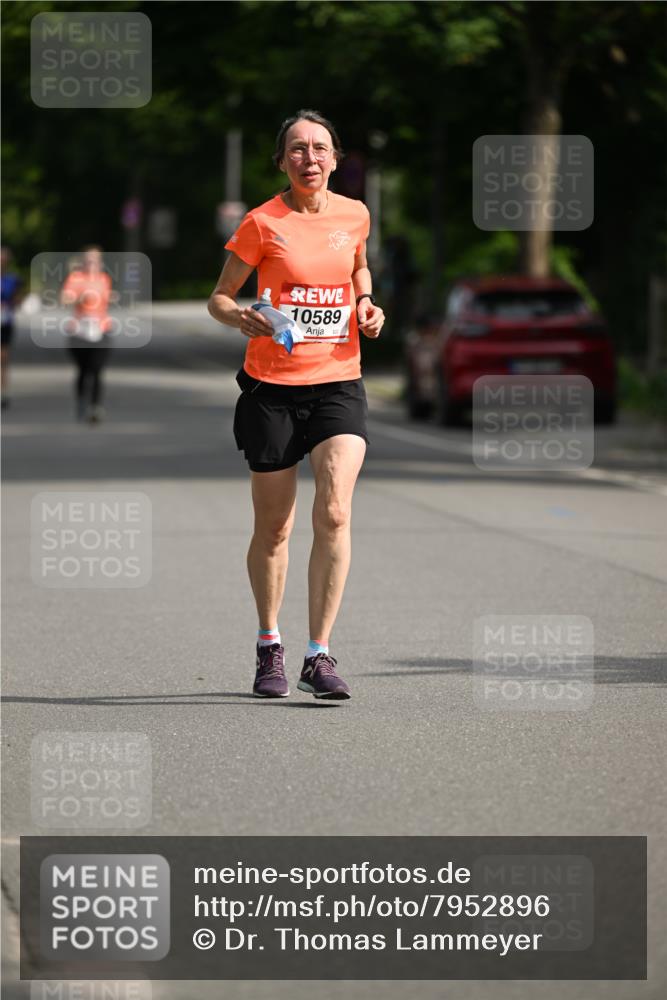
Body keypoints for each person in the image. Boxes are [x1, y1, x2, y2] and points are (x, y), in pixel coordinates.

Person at [208, 109, 385, 700]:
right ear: (282, 161)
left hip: (339, 381)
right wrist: (241, 317)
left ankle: (319, 654)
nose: (310, 158)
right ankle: (269, 645)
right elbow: (219, 297)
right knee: (275, 527)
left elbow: (359, 267)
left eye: (320, 148)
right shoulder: (262, 222)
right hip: (272, 389)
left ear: (335, 159)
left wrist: (366, 304)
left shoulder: (355, 214)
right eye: (298, 149)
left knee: (334, 512)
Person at [60, 246, 114, 423]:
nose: (92, 263)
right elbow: (65, 299)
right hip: (79, 330)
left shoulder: (104, 279)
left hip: (101, 328)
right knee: (83, 370)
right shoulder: (76, 278)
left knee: (97, 369)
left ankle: (95, 406)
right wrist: (79, 298)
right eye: (89, 260)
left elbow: (106, 299)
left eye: (95, 260)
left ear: (100, 262)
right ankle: (81, 402)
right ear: (83, 261)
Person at [1, 246, 24, 410]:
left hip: (5, 322)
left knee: (3, 358)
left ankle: (3, 391)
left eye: (3, 260)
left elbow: (17, 300)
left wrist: (11, 304)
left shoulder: (12, 279)